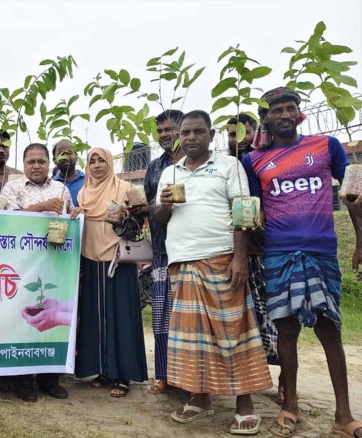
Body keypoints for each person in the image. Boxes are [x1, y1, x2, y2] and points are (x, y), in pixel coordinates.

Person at [242, 87, 361, 438]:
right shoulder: (253, 161)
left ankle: (344, 414)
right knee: (287, 330)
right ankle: (289, 405)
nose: (284, 115)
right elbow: (251, 210)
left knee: (329, 328)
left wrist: (359, 242)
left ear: (300, 113)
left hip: (322, 250)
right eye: (276, 110)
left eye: (290, 108)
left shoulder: (327, 146)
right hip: (278, 253)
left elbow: (354, 194)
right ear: (265, 118)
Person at [155, 110, 271, 435]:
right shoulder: (170, 173)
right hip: (183, 261)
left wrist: (240, 257)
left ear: (212, 133)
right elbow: (160, 219)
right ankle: (199, 397)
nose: (191, 137)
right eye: (186, 132)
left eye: (198, 131)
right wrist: (164, 205)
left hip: (222, 258)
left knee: (234, 332)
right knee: (193, 338)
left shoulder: (229, 165)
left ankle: (244, 404)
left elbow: (244, 212)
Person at [71, 147, 148, 398]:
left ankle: (123, 374)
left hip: (118, 259)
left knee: (120, 317)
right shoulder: (83, 193)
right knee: (95, 317)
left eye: (101, 160)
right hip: (91, 258)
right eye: (91, 161)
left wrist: (125, 216)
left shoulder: (124, 187)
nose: (96, 165)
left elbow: (141, 221)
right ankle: (102, 369)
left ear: (110, 163)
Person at [1, 142, 72, 402]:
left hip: (55, 262)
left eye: (41, 161)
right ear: (23, 165)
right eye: (31, 161)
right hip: (21, 264)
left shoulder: (61, 189)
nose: (36, 166)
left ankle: (49, 380)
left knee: (50, 320)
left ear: (49, 164)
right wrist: (41, 207)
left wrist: (74, 214)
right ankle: (23, 382)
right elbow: (7, 218)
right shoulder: (12, 187)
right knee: (23, 319)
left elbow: (69, 221)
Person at [227, 114, 282, 400]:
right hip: (234, 252)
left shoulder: (262, 160)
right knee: (240, 320)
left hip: (265, 249)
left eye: (241, 131)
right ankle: (245, 379)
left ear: (255, 131)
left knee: (275, 315)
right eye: (230, 134)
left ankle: (284, 377)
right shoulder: (226, 165)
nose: (235, 138)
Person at [141, 109, 183, 396]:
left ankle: (193, 376)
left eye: (171, 128)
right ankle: (164, 374)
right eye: (161, 131)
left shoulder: (204, 163)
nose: (166, 134)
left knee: (192, 317)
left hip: (195, 250)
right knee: (162, 316)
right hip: (161, 250)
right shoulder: (155, 168)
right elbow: (147, 206)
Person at [52, 139, 85, 206]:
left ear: (76, 157)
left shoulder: (88, 181)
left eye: (69, 153)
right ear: (54, 160)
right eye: (61, 153)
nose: (65, 157)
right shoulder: (51, 184)